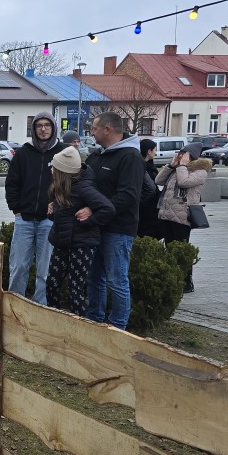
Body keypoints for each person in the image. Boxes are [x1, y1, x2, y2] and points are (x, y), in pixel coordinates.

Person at [78, 112, 144, 330]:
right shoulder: (96, 156)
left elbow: (127, 196)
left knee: (117, 280)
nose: (91, 132)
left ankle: (117, 327)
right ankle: (94, 320)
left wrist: (95, 209)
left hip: (118, 229)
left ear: (107, 129)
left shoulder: (130, 157)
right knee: (94, 276)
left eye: (94, 128)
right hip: (95, 227)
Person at [4, 112, 68, 305]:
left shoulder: (62, 153)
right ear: (33, 129)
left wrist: (59, 208)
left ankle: (41, 307)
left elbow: (72, 184)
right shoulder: (23, 153)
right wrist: (16, 208)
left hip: (49, 221)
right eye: (39, 125)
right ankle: (15, 306)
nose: (43, 129)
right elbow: (12, 183)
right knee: (18, 267)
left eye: (47, 125)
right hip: (24, 220)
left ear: (53, 128)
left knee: (45, 269)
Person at [45, 147, 115, 315]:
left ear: (63, 172)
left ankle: (79, 324)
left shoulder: (84, 188)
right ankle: (53, 320)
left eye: (54, 167)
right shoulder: (60, 186)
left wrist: (87, 221)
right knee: (52, 284)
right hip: (62, 242)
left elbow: (108, 209)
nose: (51, 170)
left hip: (82, 245)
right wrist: (52, 213)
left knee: (76, 289)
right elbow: (64, 215)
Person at [155, 142, 211, 293]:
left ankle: (186, 282)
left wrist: (181, 166)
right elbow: (158, 181)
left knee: (181, 249)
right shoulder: (178, 169)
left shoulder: (200, 172)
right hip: (166, 213)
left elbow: (184, 182)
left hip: (182, 216)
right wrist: (171, 166)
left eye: (183, 154)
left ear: (190, 156)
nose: (179, 156)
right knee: (169, 248)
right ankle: (173, 280)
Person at [138, 138, 162, 239]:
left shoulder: (150, 166)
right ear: (149, 151)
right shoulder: (141, 167)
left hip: (152, 206)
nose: (155, 153)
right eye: (154, 150)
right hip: (145, 206)